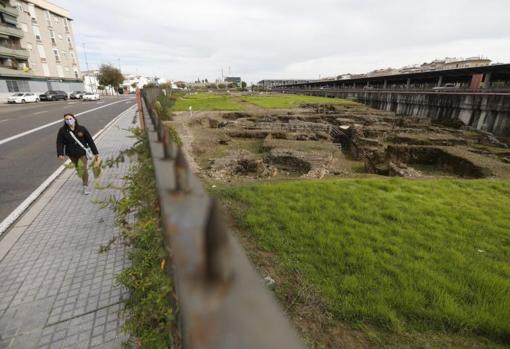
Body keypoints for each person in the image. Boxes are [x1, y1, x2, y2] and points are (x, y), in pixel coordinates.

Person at [56, 113, 99, 195]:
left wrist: (95, 153)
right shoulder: (62, 130)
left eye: (70, 119)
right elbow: (59, 142)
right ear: (65, 121)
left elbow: (90, 141)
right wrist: (60, 153)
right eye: (67, 119)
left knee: (83, 168)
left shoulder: (82, 129)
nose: (69, 121)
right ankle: (83, 177)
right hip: (71, 153)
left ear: (74, 119)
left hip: (82, 152)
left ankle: (85, 186)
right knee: (79, 168)